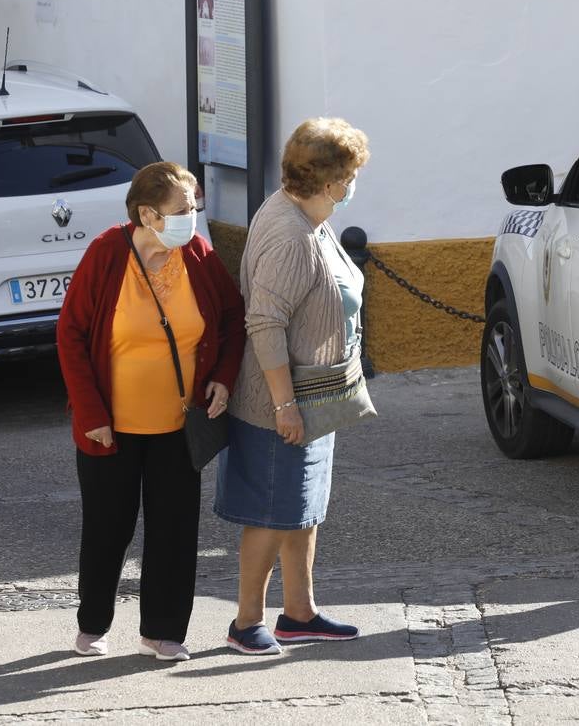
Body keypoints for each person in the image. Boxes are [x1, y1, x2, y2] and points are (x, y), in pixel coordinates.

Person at [57, 161, 245, 661]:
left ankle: (163, 633)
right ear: (147, 214)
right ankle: (93, 622)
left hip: (178, 425)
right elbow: (71, 335)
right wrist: (90, 411)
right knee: (107, 527)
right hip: (110, 428)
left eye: (194, 208)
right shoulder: (105, 253)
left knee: (175, 529)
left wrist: (223, 378)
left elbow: (231, 317)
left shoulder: (197, 254)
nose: (193, 218)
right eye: (182, 210)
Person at [216, 117, 370, 655]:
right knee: (272, 512)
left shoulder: (308, 213)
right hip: (279, 403)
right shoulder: (289, 234)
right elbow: (265, 321)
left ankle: (298, 613)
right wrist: (285, 405)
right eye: (350, 176)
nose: (353, 185)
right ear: (330, 183)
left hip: (314, 396)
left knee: (303, 509)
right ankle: (245, 622)